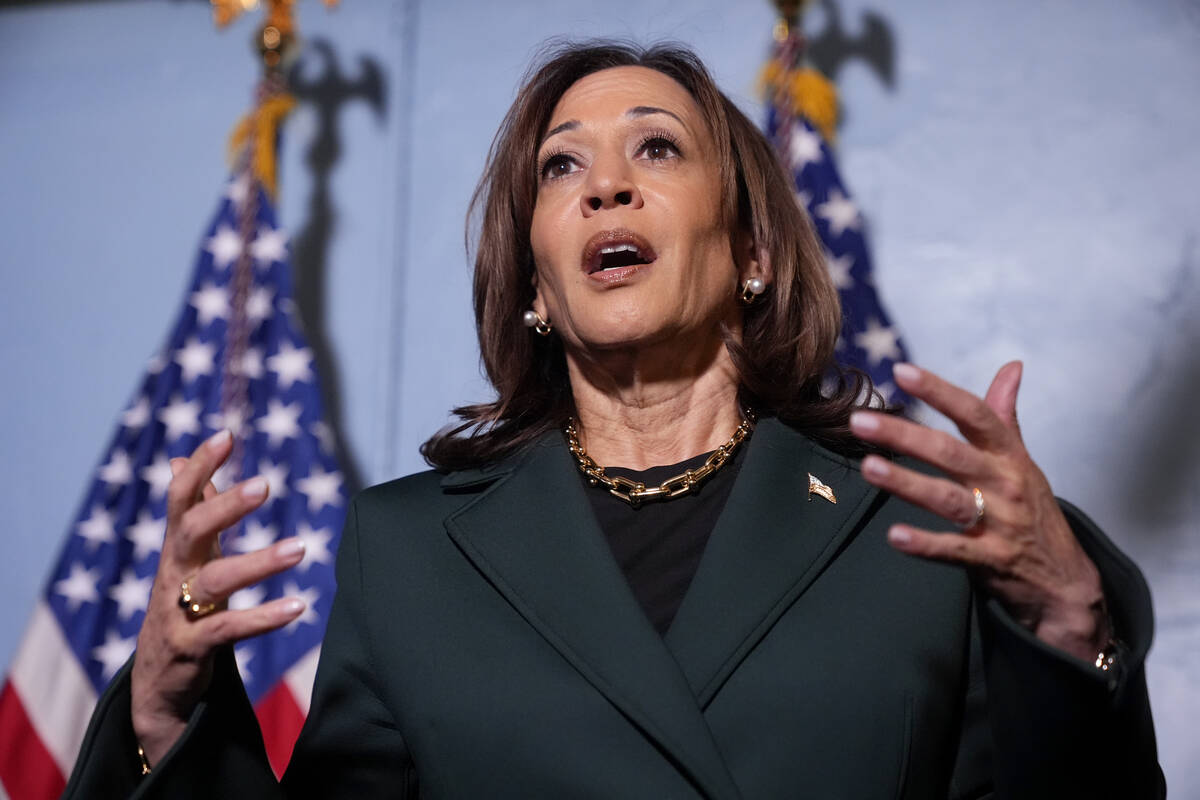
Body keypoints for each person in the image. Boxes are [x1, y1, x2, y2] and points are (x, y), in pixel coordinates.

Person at [64, 41, 1164, 799]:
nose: (605, 187)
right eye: (561, 166)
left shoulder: (911, 530)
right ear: (538, 285)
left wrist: (1070, 623)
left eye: (657, 148)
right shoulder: (413, 551)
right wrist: (166, 715)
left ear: (753, 255)